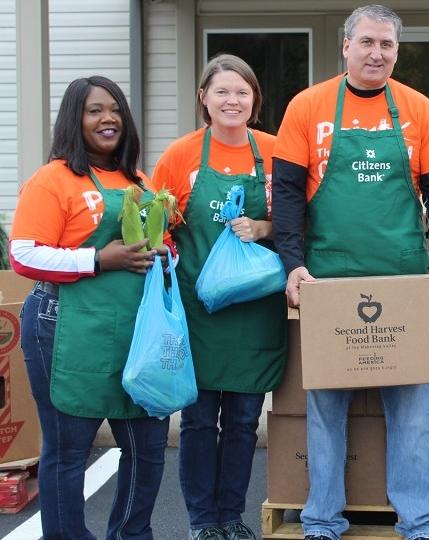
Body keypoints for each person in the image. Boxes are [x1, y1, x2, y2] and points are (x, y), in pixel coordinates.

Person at [271, 5, 429, 540]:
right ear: (346, 45)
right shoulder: (307, 107)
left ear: (397, 51)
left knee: (413, 415)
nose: (378, 54)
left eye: (388, 45)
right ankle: (322, 520)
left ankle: (421, 522)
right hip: (326, 280)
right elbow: (285, 191)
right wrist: (293, 263)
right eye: (368, 43)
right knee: (326, 413)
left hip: (403, 281)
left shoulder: (419, 109)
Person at [10, 76, 169, 539]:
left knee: (148, 447)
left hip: (134, 329)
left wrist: (164, 252)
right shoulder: (54, 179)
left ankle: (131, 534)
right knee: (69, 451)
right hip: (64, 326)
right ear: (74, 119)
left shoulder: (139, 181)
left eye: (115, 109)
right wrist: (99, 258)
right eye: (95, 110)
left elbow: (165, 244)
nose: (109, 118)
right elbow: (24, 253)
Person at [151, 54, 287, 540]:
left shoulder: (275, 151)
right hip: (197, 311)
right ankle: (202, 522)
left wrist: (264, 226)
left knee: (246, 420)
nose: (233, 101)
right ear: (204, 99)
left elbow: (299, 220)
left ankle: (232, 516)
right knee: (199, 420)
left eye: (243, 92)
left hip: (255, 311)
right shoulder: (181, 156)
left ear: (255, 100)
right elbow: (156, 230)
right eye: (223, 92)